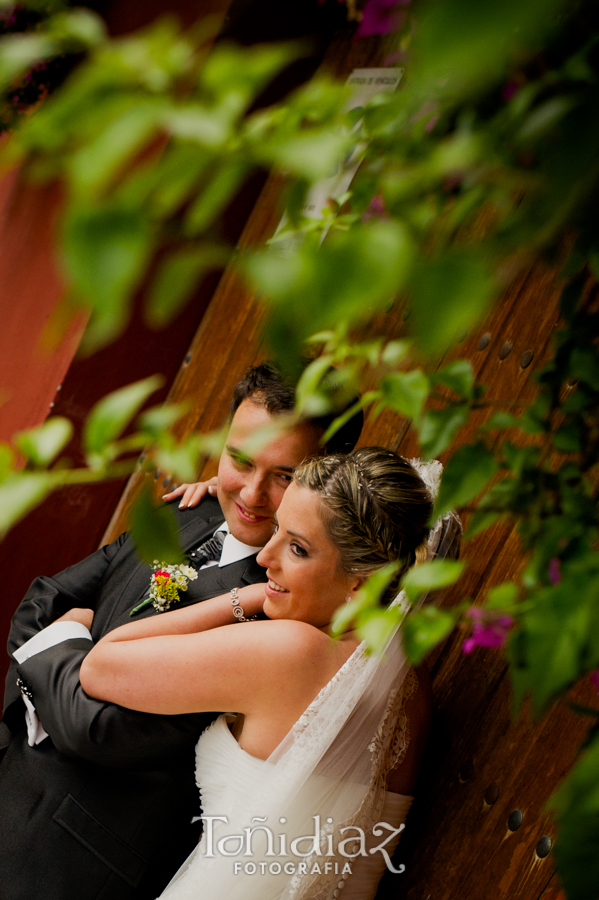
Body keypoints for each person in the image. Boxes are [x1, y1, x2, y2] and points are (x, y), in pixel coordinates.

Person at [0, 362, 363, 900]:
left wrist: (70, 637)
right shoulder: (186, 511)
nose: (253, 493)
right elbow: (44, 597)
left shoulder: (281, 607)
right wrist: (30, 707)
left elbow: (99, 730)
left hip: (74, 862)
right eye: (239, 459)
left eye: (284, 476)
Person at [79, 449, 447, 900]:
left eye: (297, 547)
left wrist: (247, 598)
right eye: (276, 529)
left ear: (361, 580)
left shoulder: (297, 653)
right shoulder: (410, 676)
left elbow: (100, 666)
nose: (265, 557)